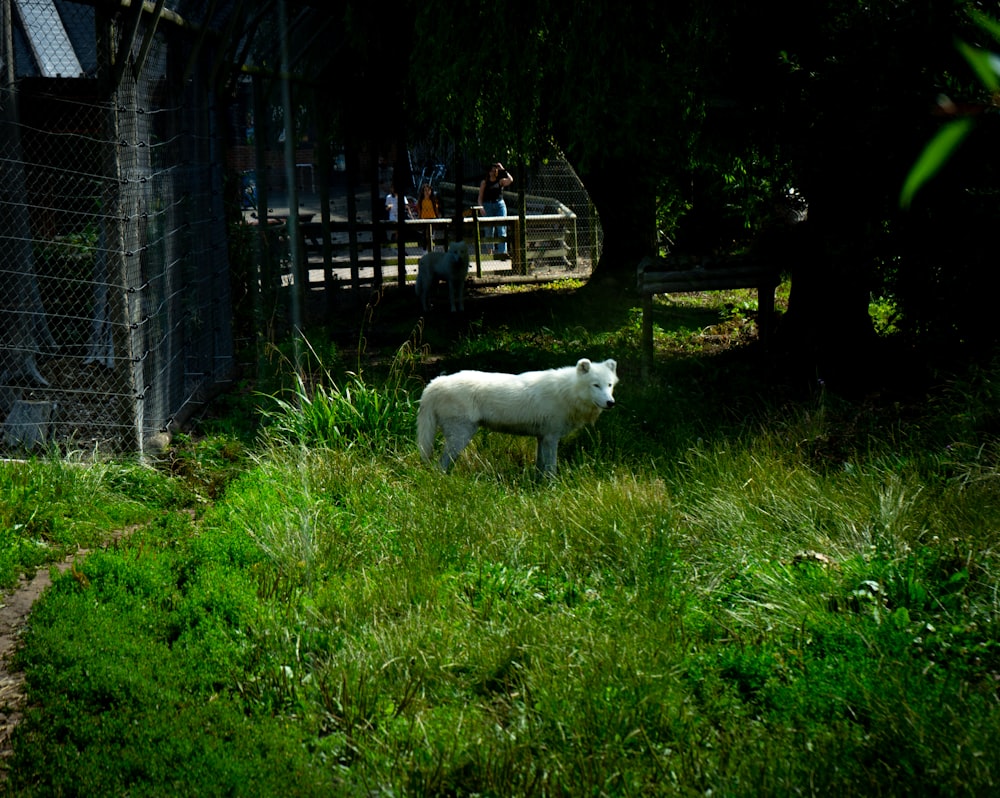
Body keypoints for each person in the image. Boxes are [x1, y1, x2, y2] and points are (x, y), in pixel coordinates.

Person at [478, 162, 513, 259]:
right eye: (491, 170)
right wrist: (481, 207)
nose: (493, 172)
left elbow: (510, 180)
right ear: (488, 172)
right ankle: (490, 254)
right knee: (489, 230)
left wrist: (503, 169)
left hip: (499, 205)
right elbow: (480, 197)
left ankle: (502, 253)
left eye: (495, 171)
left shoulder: (500, 181)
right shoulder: (484, 182)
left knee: (501, 229)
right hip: (488, 205)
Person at [416, 182, 441, 252]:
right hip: (424, 220)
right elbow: (419, 211)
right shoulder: (421, 201)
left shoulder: (433, 200)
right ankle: (424, 251)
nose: (427, 192)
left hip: (432, 220)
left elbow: (436, 211)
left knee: (432, 236)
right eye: (425, 190)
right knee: (424, 237)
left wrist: (438, 219)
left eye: (428, 190)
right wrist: (419, 219)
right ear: (423, 192)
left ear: (431, 191)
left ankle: (433, 251)